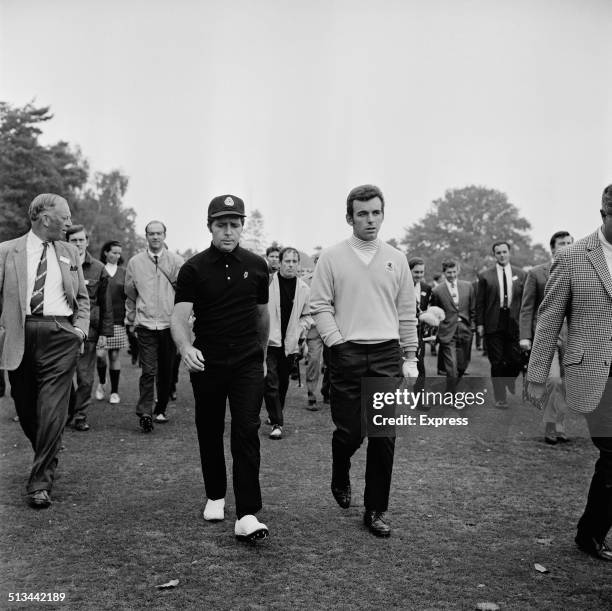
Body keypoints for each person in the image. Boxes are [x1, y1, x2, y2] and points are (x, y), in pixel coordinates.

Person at [310, 184, 418, 538]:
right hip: (347, 352)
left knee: (383, 435)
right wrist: (336, 342)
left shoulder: (396, 258)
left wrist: (411, 354)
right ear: (349, 217)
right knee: (350, 433)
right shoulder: (332, 257)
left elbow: (406, 312)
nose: (370, 220)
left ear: (383, 214)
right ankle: (340, 468)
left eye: (376, 212)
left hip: (386, 353)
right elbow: (320, 305)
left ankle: (375, 510)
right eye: (362, 213)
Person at [171, 194, 270, 542]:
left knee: (246, 430)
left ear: (242, 226)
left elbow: (262, 316)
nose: (228, 231)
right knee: (210, 428)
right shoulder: (193, 268)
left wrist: (260, 356)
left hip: (246, 362)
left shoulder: (258, 265)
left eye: (234, 224)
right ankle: (215, 494)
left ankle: (247, 513)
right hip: (207, 361)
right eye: (221, 224)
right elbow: (180, 318)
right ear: (209, 226)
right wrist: (186, 347)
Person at [527, 185, 612, 562]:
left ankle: (590, 531)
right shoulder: (575, 257)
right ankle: (591, 534)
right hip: (595, 373)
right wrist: (536, 375)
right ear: (602, 214)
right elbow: (548, 320)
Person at [0, 193, 89, 508]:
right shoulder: (7, 251)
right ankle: (48, 449)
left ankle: (39, 484)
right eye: (64, 216)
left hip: (60, 335)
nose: (68, 222)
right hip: (20, 335)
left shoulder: (68, 252)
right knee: (26, 409)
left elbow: (82, 297)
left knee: (53, 410)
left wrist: (79, 330)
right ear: (44, 216)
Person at [125, 221, 183, 432]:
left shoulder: (177, 261)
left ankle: (161, 408)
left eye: (159, 233)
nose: (155, 237)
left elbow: (185, 293)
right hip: (146, 323)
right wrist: (131, 317)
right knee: (148, 369)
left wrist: (184, 319)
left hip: (169, 324)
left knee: (166, 370)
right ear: (146, 236)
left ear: (165, 235)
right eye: (151, 234)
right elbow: (130, 292)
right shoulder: (135, 262)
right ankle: (146, 412)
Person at [519, 231, 573, 444]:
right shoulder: (536, 273)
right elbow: (526, 308)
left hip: (571, 336)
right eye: (562, 243)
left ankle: (560, 425)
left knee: (567, 385)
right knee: (553, 380)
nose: (567, 246)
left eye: (570, 243)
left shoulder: (579, 272)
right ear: (552, 248)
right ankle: (551, 425)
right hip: (546, 336)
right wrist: (525, 336)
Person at [66, 226, 114, 431]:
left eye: (81, 240)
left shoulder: (98, 269)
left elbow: (106, 304)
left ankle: (79, 415)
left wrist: (105, 333)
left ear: (87, 242)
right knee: (62, 377)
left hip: (89, 332)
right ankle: (67, 411)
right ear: (67, 242)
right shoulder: (58, 265)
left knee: (85, 378)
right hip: (62, 330)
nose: (77, 244)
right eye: (73, 240)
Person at [263, 247, 311, 439]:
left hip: (290, 343)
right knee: (270, 381)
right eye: (287, 261)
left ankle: (276, 413)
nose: (290, 265)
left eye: (294, 261)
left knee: (282, 383)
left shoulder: (304, 289)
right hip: (269, 342)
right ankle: (277, 423)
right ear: (279, 263)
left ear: (298, 264)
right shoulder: (267, 283)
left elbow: (307, 316)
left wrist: (300, 330)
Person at [476, 241, 526, 408]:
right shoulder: (485, 276)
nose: (502, 255)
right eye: (498, 253)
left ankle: (509, 380)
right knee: (496, 362)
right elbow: (480, 302)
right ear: (494, 255)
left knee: (516, 359)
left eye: (504, 252)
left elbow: (526, 301)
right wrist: (480, 324)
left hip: (514, 321)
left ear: (509, 253)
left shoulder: (521, 274)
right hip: (493, 322)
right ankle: (500, 397)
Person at [430, 260, 475, 397]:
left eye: (454, 271)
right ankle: (452, 396)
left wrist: (472, 326)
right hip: (447, 332)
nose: (452, 275)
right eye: (449, 272)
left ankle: (450, 390)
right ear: (444, 273)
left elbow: (473, 309)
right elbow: (435, 312)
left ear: (458, 271)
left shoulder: (468, 287)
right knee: (452, 368)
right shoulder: (437, 290)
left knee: (462, 366)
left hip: (465, 330)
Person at [95, 240, 130, 404]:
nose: (117, 255)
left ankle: (115, 392)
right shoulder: (98, 270)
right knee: (100, 355)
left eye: (119, 253)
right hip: (100, 320)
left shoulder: (124, 272)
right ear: (105, 253)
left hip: (117, 319)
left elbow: (129, 296)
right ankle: (102, 383)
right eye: (113, 252)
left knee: (115, 355)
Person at [408, 257, 431, 397]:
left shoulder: (427, 288)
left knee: (420, 366)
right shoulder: (401, 285)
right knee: (398, 370)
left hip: (418, 333)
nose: (419, 275)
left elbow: (426, 308)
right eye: (416, 272)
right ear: (409, 271)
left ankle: (419, 399)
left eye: (421, 272)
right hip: (401, 333)